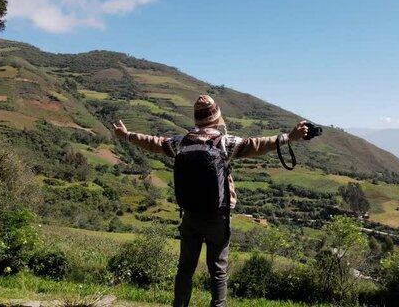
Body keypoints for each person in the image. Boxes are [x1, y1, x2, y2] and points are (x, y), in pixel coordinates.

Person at [113, 95, 308, 307]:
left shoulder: (181, 141)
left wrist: (127, 135)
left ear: (196, 119)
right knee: (218, 270)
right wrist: (289, 137)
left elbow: (154, 143)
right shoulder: (225, 142)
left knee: (185, 268)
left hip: (189, 215)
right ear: (216, 118)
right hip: (217, 215)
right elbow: (258, 144)